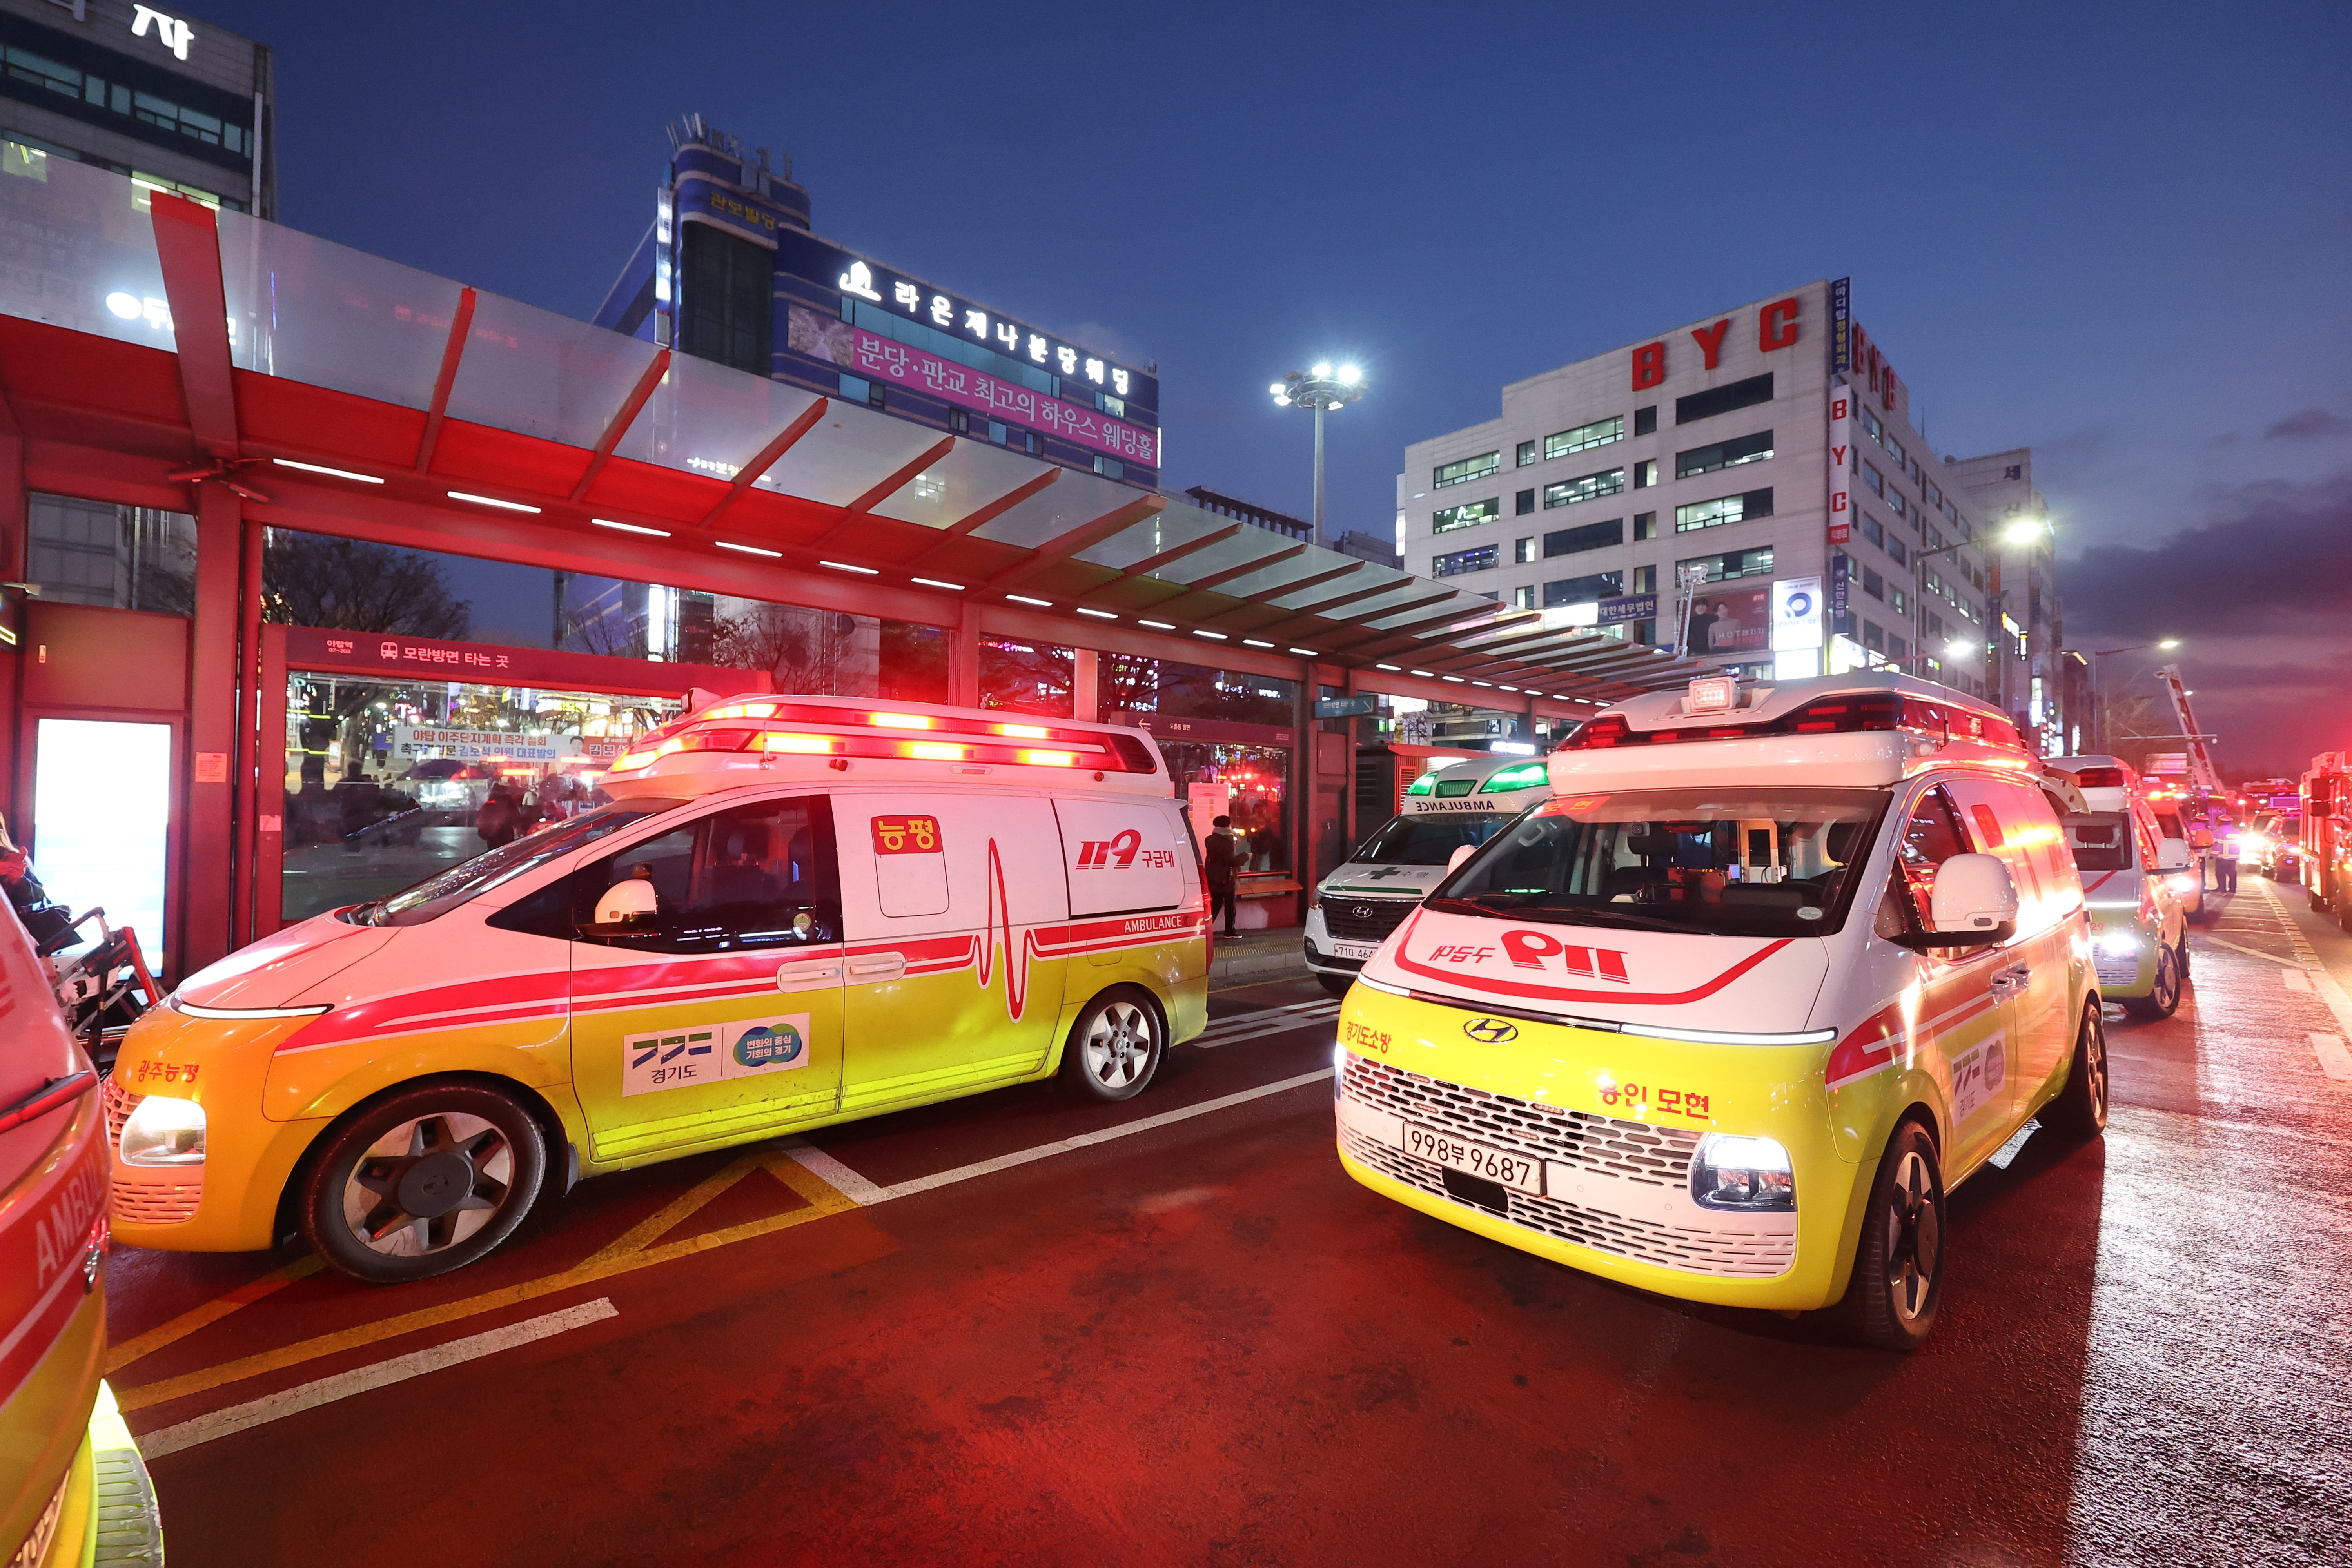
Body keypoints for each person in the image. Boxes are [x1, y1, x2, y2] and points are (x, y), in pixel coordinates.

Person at [1206, 814, 1243, 938]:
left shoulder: (1210, 840)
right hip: (1226, 879)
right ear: (1228, 825)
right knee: (1230, 905)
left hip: (1214, 878)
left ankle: (1206, 930)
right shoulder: (1228, 841)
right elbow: (1231, 861)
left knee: (1215, 906)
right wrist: (1245, 857)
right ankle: (1230, 931)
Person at [476, 782, 519, 849]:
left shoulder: (489, 804)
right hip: (507, 833)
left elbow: (483, 818)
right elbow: (516, 817)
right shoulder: (509, 803)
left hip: (493, 834)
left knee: (493, 853)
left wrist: (483, 832)